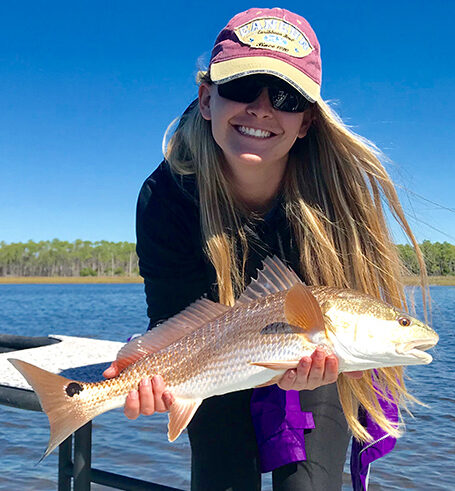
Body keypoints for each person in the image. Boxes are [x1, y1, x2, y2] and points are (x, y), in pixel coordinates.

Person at [104, 7, 427, 491]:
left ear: (306, 122)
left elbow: (344, 308)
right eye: (240, 87)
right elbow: (174, 317)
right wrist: (142, 369)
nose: (260, 108)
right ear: (207, 97)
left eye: (285, 96)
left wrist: (315, 365)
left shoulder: (338, 192)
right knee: (222, 476)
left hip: (316, 359)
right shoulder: (165, 198)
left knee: (306, 485)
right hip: (213, 357)